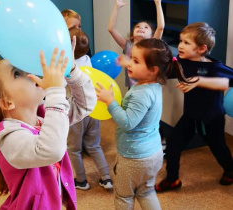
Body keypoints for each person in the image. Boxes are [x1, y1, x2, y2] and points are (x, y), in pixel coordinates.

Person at [0, 46, 97, 209]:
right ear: (6, 102)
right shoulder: (9, 137)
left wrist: (72, 69)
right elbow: (51, 150)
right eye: (17, 73)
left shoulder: (45, 116)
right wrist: (55, 91)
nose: (29, 73)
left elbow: (85, 105)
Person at [96, 38, 194, 209]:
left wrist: (110, 102)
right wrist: (129, 61)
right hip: (152, 154)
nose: (130, 64)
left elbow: (127, 123)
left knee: (124, 196)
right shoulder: (153, 85)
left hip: (134, 158)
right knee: (146, 192)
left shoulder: (141, 94)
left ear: (153, 70)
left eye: (135, 61)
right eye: (131, 58)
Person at [155, 22, 233, 192]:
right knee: (173, 147)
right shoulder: (183, 62)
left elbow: (230, 80)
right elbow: (165, 72)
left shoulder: (214, 67)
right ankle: (172, 179)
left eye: (186, 43)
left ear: (201, 49)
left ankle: (230, 170)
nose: (180, 46)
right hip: (190, 116)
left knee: (218, 148)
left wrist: (201, 81)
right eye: (181, 41)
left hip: (211, 118)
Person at [67, 28, 113, 190]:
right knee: (94, 145)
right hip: (93, 109)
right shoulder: (87, 58)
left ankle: (81, 180)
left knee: (74, 149)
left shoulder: (66, 65)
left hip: (76, 113)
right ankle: (106, 178)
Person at [108, 0, 164, 89]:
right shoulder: (128, 46)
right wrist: (117, 7)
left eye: (146, 27)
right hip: (132, 87)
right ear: (132, 37)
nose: (141, 27)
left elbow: (160, 27)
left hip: (147, 87)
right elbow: (111, 29)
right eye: (137, 26)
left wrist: (158, 3)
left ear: (151, 36)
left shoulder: (152, 45)